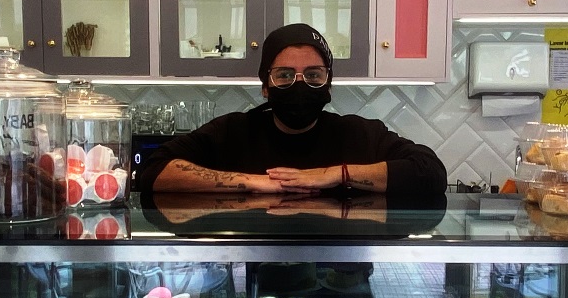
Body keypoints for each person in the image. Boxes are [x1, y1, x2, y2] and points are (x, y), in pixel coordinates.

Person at [141, 23, 447, 196]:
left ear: (328, 85)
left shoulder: (359, 134)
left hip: (343, 278)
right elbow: (153, 171)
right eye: (285, 75)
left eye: (313, 75)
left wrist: (334, 174)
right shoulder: (232, 133)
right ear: (266, 86)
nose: (299, 85)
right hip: (255, 279)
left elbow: (430, 173)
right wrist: (253, 181)